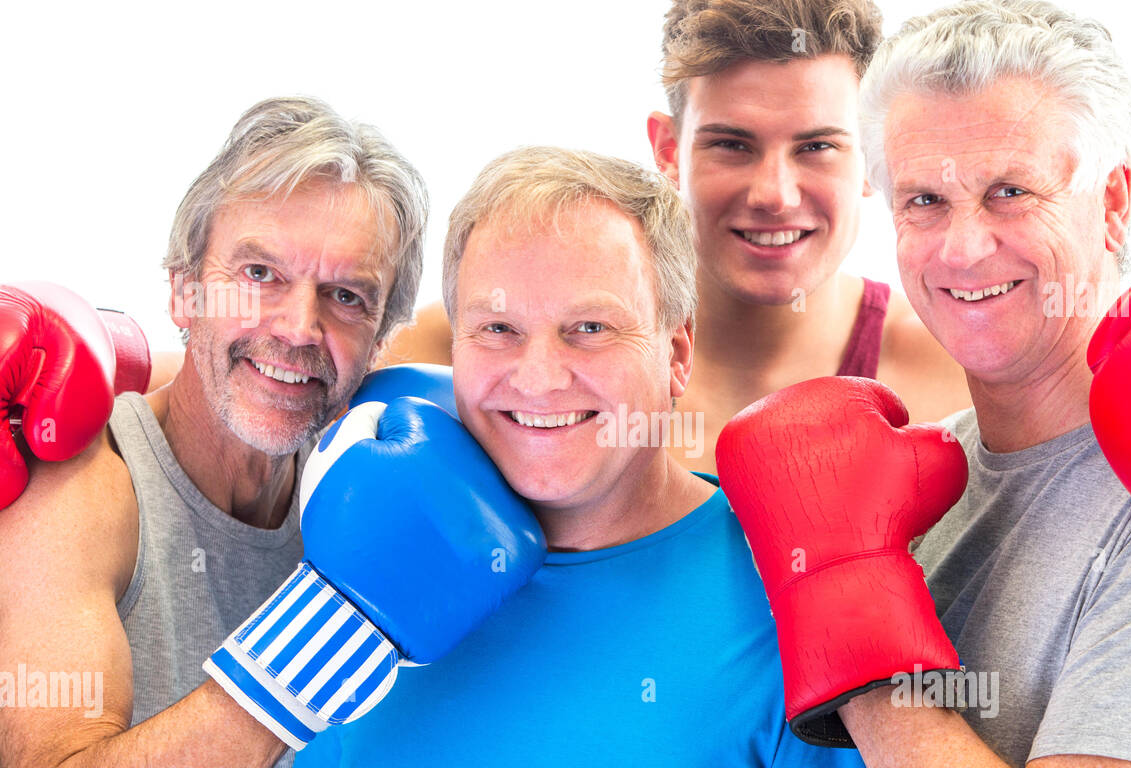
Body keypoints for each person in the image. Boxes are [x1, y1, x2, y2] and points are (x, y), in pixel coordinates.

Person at [716, 0, 1131, 768]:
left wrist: (847, 592)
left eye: (1010, 192)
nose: (961, 246)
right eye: (924, 199)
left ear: (1112, 201)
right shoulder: (911, 483)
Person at [281, 146, 920, 768]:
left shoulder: (789, 594)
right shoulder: (369, 573)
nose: (541, 376)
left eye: (590, 328)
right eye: (498, 330)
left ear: (678, 351)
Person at [0, 96, 429, 768]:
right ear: (183, 293)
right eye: (259, 274)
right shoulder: (84, 489)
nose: (300, 328)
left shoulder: (356, 503)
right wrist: (331, 622)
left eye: (346, 296)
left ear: (380, 339)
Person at [379, 0, 970, 475]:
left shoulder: (956, 375)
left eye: (816, 147)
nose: (774, 194)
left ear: (874, 154)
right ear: (667, 150)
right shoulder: (454, 350)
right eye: (731, 144)